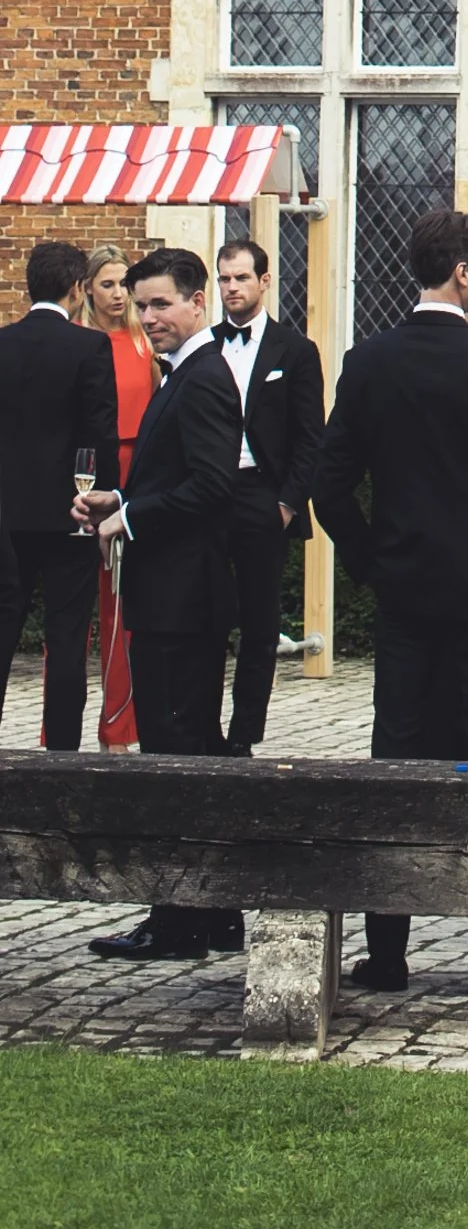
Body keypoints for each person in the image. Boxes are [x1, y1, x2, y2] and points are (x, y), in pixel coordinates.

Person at [313, 206, 468, 999]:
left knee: (399, 760)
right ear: (460, 272)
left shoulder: (370, 361)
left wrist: (371, 563)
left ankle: (387, 947)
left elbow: (327, 485)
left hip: (407, 604)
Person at [78, 248, 241, 962]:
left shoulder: (203, 378)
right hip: (174, 596)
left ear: (197, 302)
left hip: (183, 601)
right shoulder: (186, 374)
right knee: (188, 753)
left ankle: (180, 921)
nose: (149, 318)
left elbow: (211, 488)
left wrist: (130, 519)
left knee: (179, 760)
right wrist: (119, 498)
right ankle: (213, 912)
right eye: (142, 305)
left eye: (161, 304)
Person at [0, 239, 119, 748]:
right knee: (68, 638)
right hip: (70, 515)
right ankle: (63, 752)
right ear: (76, 288)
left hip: (5, 517)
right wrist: (105, 499)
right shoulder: (90, 348)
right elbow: (99, 433)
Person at [210, 236, 324, 758]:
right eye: (224, 279)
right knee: (205, 613)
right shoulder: (203, 345)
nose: (232, 287)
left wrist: (286, 504)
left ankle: (243, 734)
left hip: (263, 495)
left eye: (240, 278)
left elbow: (309, 436)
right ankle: (200, 724)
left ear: (264, 281)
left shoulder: (295, 351)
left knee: (259, 622)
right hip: (206, 493)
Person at [85, 249, 154, 748]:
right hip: (91, 475)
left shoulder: (144, 341)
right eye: (106, 284)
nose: (116, 294)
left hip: (139, 474)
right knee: (87, 608)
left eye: (121, 284)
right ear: (87, 288)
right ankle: (60, 728)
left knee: (126, 607)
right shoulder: (81, 342)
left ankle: (121, 725)